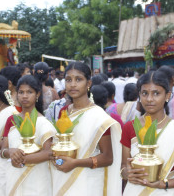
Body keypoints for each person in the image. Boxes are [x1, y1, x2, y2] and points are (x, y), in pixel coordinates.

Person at [121, 70, 174, 195]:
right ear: (139, 95)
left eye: (156, 93)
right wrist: (126, 172)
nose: (149, 99)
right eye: (145, 93)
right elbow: (123, 166)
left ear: (167, 96)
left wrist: (164, 183)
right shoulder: (130, 127)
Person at [51, 62, 122, 195]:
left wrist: (75, 163)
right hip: (63, 178)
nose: (72, 84)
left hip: (88, 184)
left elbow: (107, 157)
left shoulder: (98, 117)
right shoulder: (64, 112)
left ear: (88, 83)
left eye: (78, 79)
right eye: (68, 80)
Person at [0, 75, 56, 196]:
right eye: (21, 92)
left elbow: (49, 153)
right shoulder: (12, 120)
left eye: (29, 92)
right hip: (13, 176)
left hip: (37, 181)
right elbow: (3, 150)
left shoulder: (43, 123)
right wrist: (10, 152)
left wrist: (21, 160)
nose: (24, 96)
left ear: (37, 95)